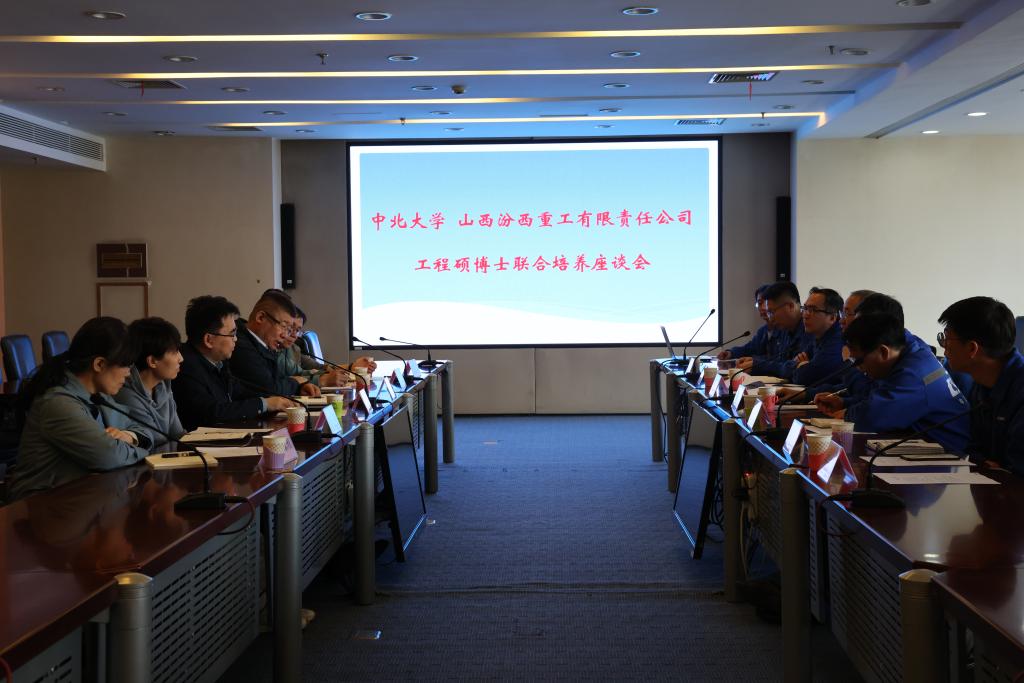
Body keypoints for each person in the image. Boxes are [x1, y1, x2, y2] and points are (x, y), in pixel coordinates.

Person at [8, 317, 153, 500]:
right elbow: (108, 457)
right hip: (40, 503)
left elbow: (144, 431)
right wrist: (143, 452)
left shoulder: (98, 395)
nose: (129, 374)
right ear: (99, 364)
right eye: (125, 365)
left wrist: (129, 437)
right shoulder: (58, 404)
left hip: (80, 496)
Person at [816, 311, 971, 453]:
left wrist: (848, 414)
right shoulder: (908, 350)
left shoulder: (914, 373)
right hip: (921, 444)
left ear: (883, 352)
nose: (859, 369)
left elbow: (873, 417)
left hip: (947, 454)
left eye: (859, 361)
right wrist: (845, 403)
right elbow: (881, 397)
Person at [172, 295, 295, 431]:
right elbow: (211, 413)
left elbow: (240, 393)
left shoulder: (220, 363)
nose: (236, 339)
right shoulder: (185, 366)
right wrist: (264, 404)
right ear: (209, 340)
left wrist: (275, 402)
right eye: (232, 334)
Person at [938, 297, 1024, 474]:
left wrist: (999, 469)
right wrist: (985, 463)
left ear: (972, 349)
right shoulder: (982, 383)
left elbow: (1016, 470)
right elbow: (974, 450)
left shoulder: (1020, 389)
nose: (944, 348)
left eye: (947, 340)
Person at [231, 290, 322, 398]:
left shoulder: (264, 345)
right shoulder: (239, 343)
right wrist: (296, 383)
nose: (285, 335)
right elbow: (269, 388)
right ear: (261, 317)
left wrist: (300, 387)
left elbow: (279, 379)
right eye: (283, 326)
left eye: (288, 330)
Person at [116, 317, 186, 446]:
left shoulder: (163, 385)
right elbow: (154, 440)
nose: (181, 358)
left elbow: (178, 434)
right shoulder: (125, 394)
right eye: (175, 352)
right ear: (152, 361)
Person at [735, 281, 805, 374]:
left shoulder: (810, 329)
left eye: (771, 312)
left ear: (790, 306)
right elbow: (781, 362)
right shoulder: (785, 328)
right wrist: (755, 362)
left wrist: (758, 365)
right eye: (768, 313)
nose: (770, 318)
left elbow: (795, 370)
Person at [719, 284, 773, 360]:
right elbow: (749, 349)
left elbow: (777, 359)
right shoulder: (763, 331)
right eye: (759, 304)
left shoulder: (783, 329)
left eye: (766, 303)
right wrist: (731, 353)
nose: (763, 307)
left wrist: (754, 360)